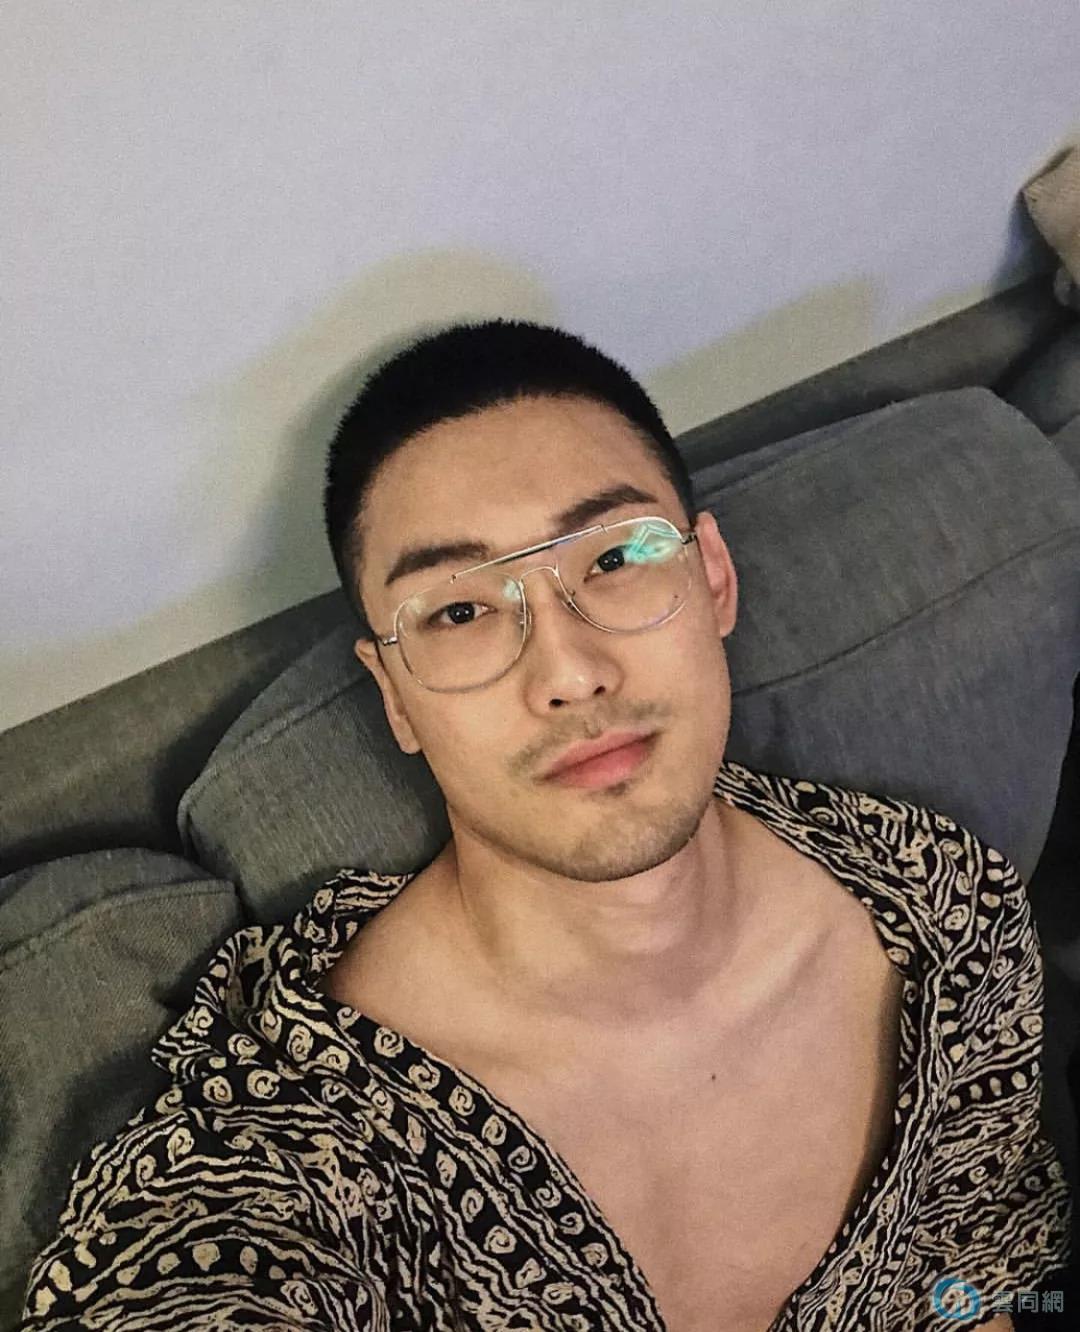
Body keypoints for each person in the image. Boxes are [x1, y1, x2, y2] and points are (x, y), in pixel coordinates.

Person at [20, 320, 1069, 1331]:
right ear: (395, 699)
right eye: (460, 611)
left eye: (614, 558)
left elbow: (965, 1285)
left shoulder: (945, 908)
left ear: (712, 579)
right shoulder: (301, 1126)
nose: (568, 671)